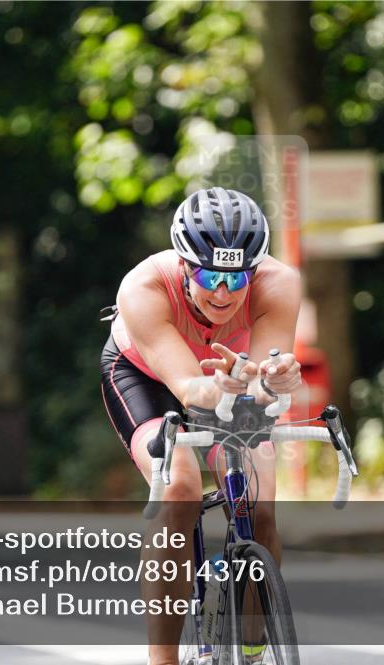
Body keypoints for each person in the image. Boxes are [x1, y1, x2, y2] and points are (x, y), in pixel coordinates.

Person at [100, 186, 303, 665]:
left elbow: (262, 386)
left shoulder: (279, 285)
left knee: (261, 496)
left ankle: (252, 647)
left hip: (229, 381)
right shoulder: (143, 287)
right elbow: (190, 389)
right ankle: (163, 660)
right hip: (149, 378)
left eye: (237, 279)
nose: (223, 292)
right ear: (184, 265)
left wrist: (276, 381)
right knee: (180, 490)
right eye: (210, 275)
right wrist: (222, 390)